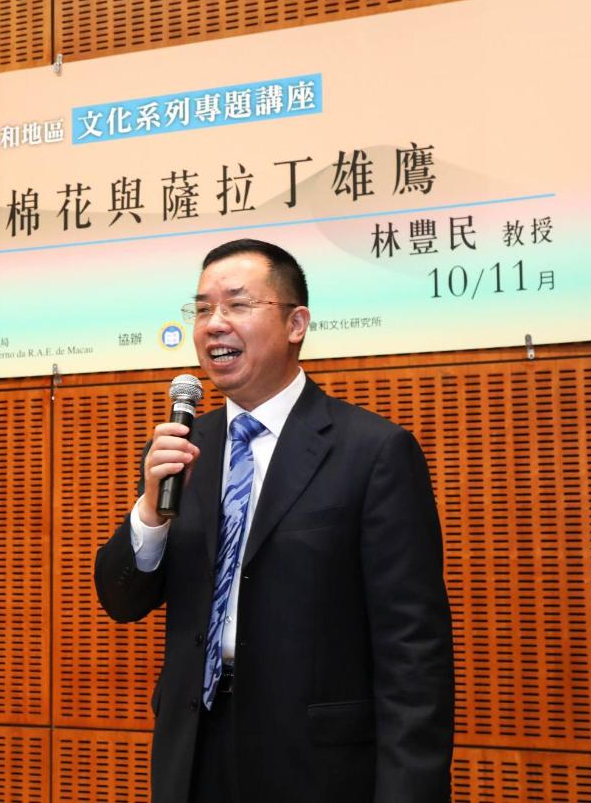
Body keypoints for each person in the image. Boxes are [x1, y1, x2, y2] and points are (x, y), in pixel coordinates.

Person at [94, 238, 454, 802]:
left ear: (295, 324)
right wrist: (150, 513)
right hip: (195, 753)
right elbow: (121, 600)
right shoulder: (186, 448)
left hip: (315, 765)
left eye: (238, 304)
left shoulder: (372, 452)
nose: (215, 323)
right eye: (202, 309)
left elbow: (413, 650)